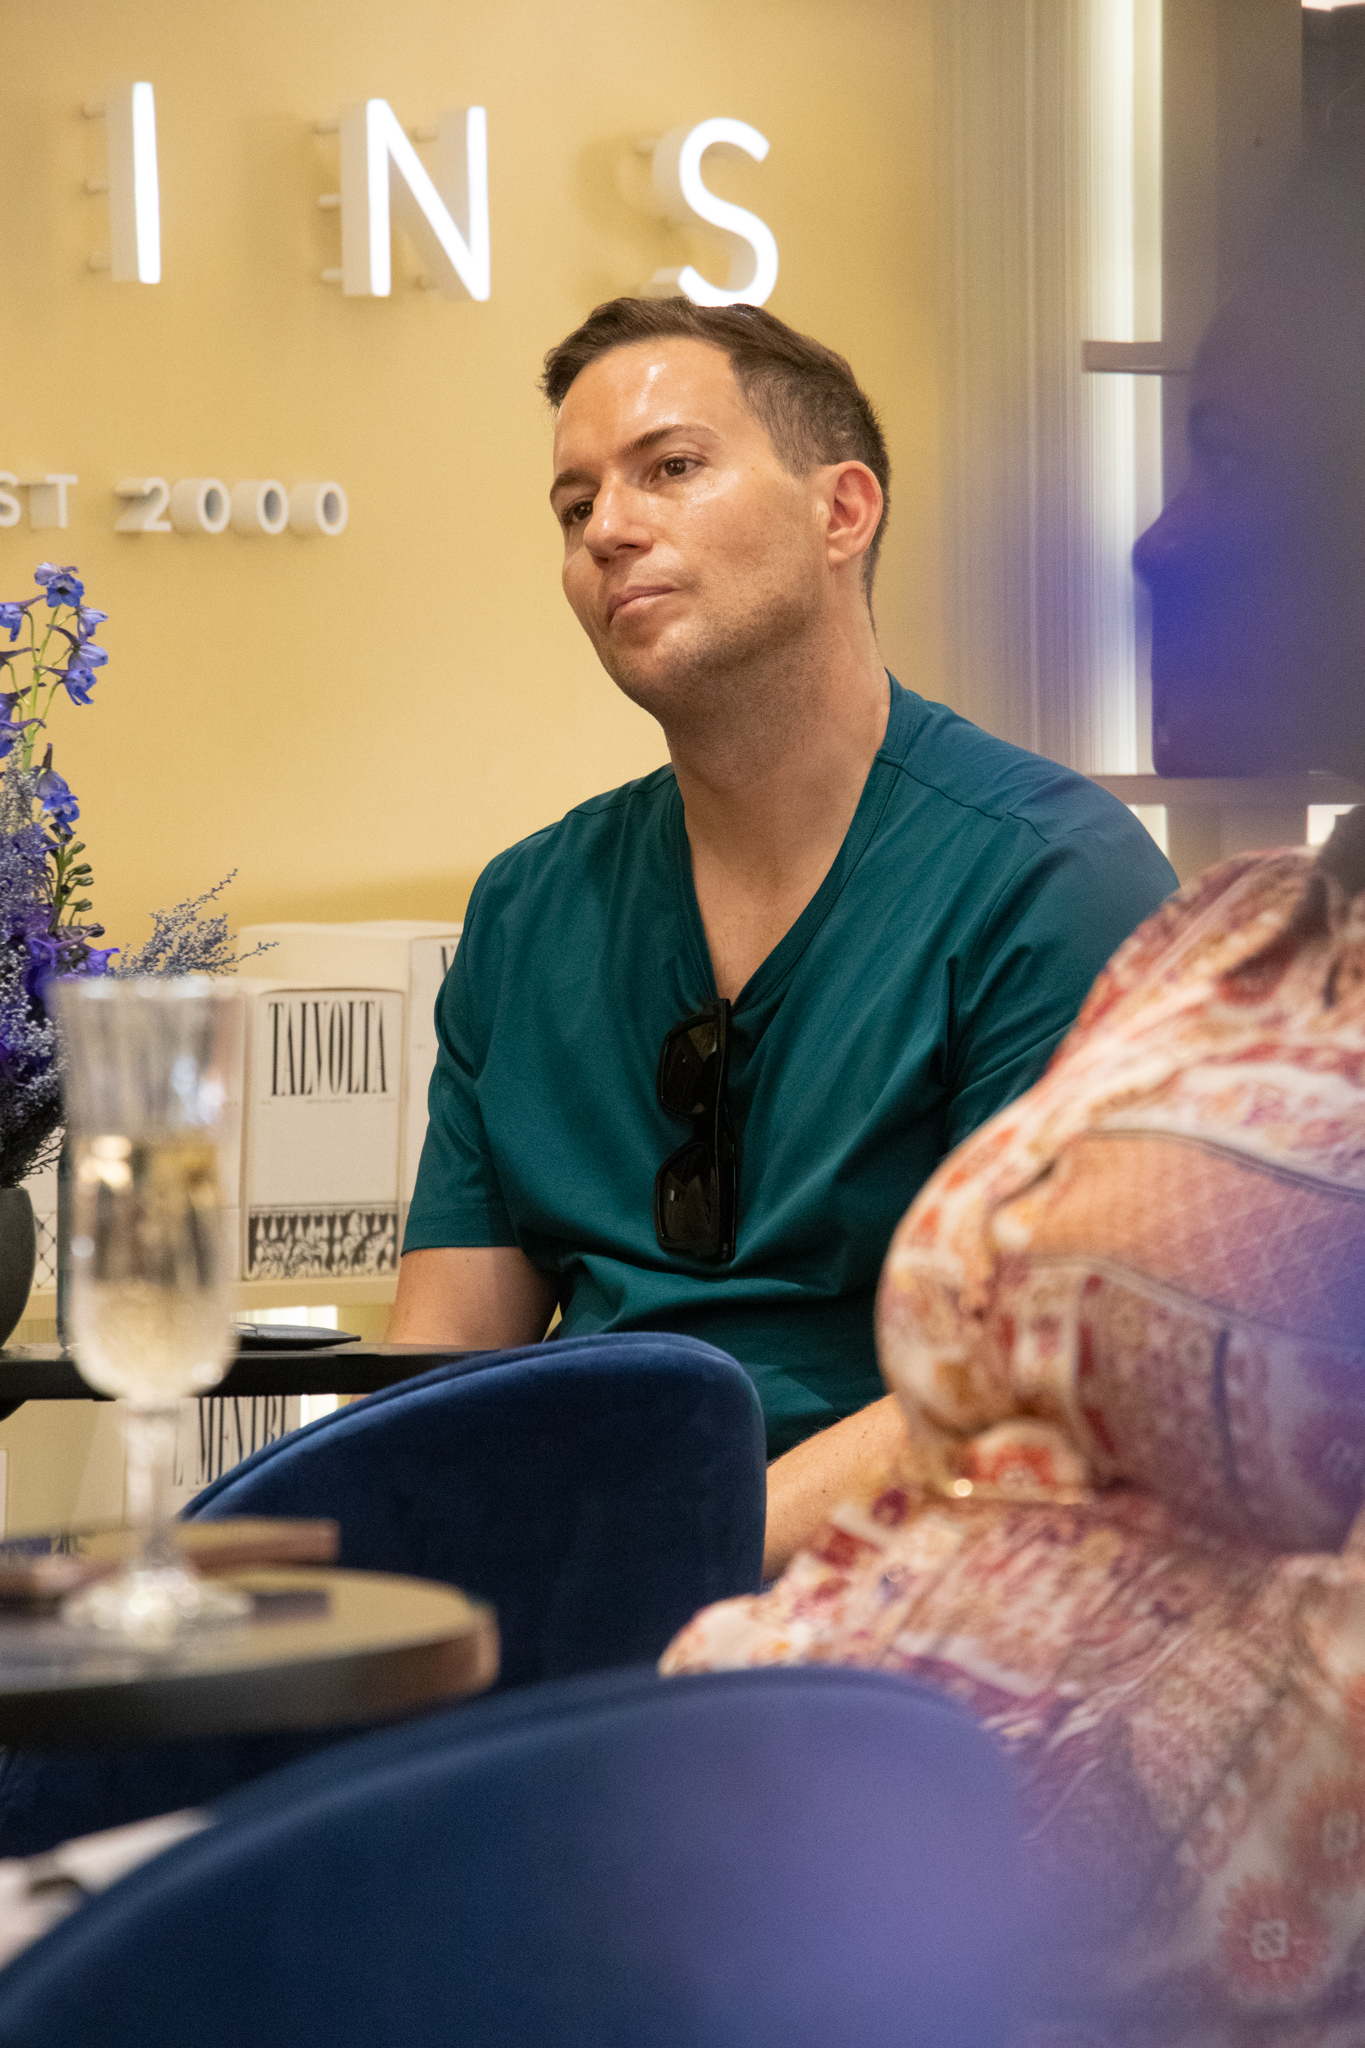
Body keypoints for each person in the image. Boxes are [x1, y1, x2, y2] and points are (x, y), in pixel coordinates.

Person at [663, 141, 1365, 2045]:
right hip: (763, 1828)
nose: (1151, 544)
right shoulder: (1231, 935)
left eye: (1232, 452)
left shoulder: (1039, 868)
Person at [390, 295, 1175, 1575]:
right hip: (572, 1587)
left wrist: (652, 1565)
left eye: (670, 468)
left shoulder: (1051, 876)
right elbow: (436, 1372)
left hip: (913, 1600)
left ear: (841, 511)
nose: (608, 529)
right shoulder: (527, 909)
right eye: (575, 506)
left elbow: (1028, 1378)